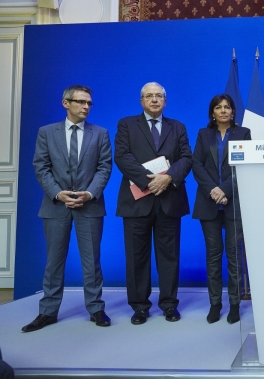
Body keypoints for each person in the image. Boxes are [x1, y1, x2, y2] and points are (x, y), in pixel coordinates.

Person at [24, 85, 112, 332]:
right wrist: (58, 193)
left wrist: (89, 193)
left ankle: (96, 309)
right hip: (55, 206)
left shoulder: (101, 133)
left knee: (91, 261)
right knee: (53, 262)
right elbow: (40, 166)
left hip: (90, 205)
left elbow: (105, 167)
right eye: (81, 102)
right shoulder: (46, 132)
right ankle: (47, 313)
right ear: (66, 103)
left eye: (89, 103)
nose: (86, 107)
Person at [114, 82, 192, 325]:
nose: (155, 100)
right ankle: (139, 306)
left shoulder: (177, 127)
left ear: (165, 101)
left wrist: (167, 179)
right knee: (136, 257)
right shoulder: (127, 124)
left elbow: (186, 158)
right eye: (150, 96)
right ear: (141, 101)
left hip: (169, 199)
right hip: (137, 200)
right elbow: (122, 157)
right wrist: (149, 182)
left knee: (169, 256)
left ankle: (169, 304)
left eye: (159, 96)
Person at [192, 94, 251, 324]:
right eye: (219, 107)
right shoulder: (203, 134)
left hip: (234, 202)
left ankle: (234, 305)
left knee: (235, 257)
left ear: (233, 112)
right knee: (213, 256)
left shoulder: (243, 133)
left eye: (228, 107)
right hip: (208, 204)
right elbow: (197, 165)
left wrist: (225, 190)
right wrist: (213, 191)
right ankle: (215, 304)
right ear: (212, 113)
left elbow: (244, 164)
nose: (224, 110)